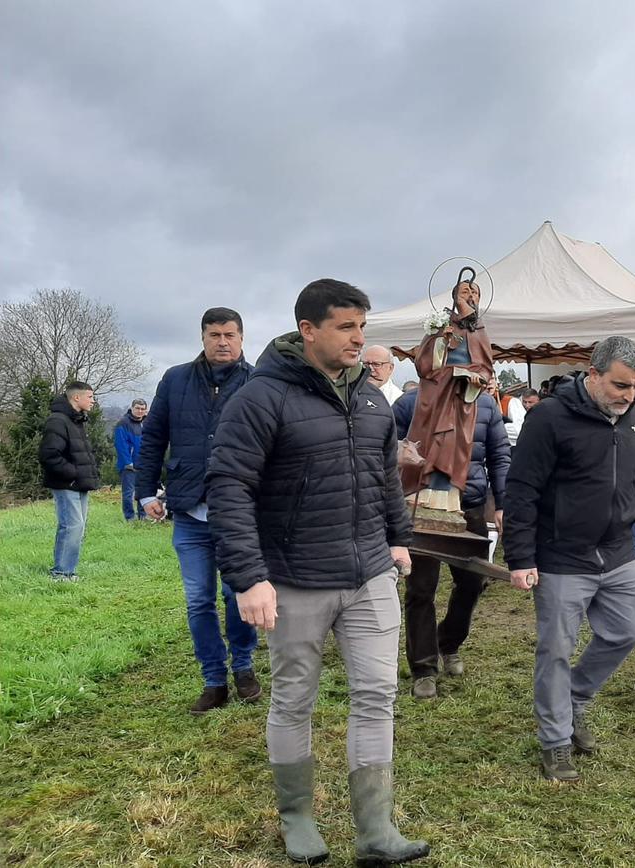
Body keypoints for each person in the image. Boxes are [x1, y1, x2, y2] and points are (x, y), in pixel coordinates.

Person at [206, 279, 429, 865]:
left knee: (378, 695)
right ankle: (298, 818)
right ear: (309, 331)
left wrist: (399, 540)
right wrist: (249, 576)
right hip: (294, 577)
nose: (360, 338)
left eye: (363, 327)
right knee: (295, 699)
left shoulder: (373, 397)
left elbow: (384, 475)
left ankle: (376, 830)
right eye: (346, 327)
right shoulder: (261, 398)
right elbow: (229, 486)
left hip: (370, 574)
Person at [502, 336, 635, 782]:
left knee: (626, 631)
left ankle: (574, 698)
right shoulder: (549, 419)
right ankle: (555, 739)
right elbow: (522, 490)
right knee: (556, 649)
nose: (628, 395)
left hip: (620, 550)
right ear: (593, 374)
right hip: (562, 555)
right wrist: (520, 557)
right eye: (620, 385)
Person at [137, 307, 261, 715]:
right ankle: (213, 679)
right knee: (198, 600)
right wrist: (145, 492)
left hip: (240, 511)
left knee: (237, 593)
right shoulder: (175, 380)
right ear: (203, 337)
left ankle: (243, 666)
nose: (222, 342)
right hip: (189, 510)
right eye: (213, 334)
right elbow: (153, 436)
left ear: (241, 338)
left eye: (229, 334)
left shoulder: (258, 381)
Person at [394, 380, 509, 699]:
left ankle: (449, 642)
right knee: (420, 589)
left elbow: (499, 455)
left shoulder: (486, 405)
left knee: (473, 582)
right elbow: (384, 448)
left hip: (469, 506)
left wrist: (501, 503)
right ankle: (424, 668)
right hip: (420, 506)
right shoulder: (409, 403)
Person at [402, 269, 493, 513]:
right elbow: (423, 363)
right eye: (465, 292)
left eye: (474, 292)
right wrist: (442, 341)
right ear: (454, 296)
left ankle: (446, 498)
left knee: (455, 446)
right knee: (431, 441)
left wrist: (477, 378)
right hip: (436, 395)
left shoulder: (479, 330)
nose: (470, 296)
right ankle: (420, 493)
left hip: (462, 399)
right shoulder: (441, 323)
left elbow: (486, 367)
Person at [38, 381, 100, 581]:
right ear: (76, 397)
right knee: (71, 527)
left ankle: (68, 571)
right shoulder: (57, 421)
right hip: (66, 484)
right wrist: (73, 474)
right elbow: (49, 455)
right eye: (90, 397)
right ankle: (60, 574)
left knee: (77, 528)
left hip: (79, 484)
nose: (93, 401)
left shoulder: (76, 420)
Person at [113, 398, 148, 521]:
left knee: (143, 492)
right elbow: (120, 444)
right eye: (137, 408)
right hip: (129, 465)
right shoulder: (123, 423)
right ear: (132, 408)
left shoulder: (147, 423)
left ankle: (143, 516)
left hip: (144, 464)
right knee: (128, 493)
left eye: (142, 409)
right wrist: (128, 462)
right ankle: (130, 517)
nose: (140, 411)